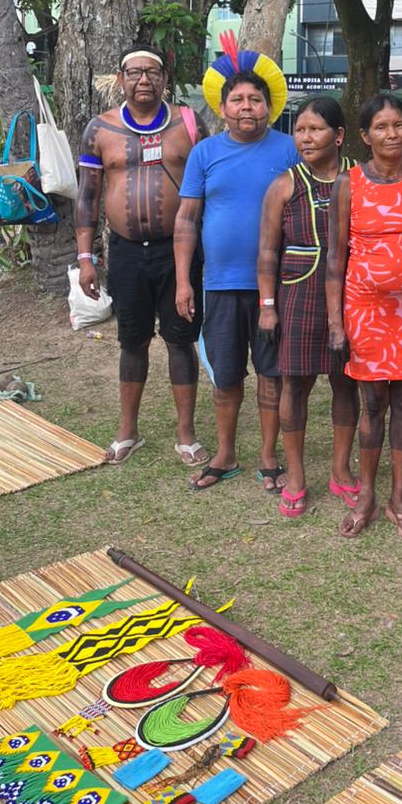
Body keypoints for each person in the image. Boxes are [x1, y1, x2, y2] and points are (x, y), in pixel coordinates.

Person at [175, 34, 298, 492]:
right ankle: (225, 454)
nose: (247, 106)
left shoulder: (290, 149)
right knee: (225, 376)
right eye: (238, 99)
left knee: (271, 374)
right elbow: (187, 219)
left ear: (269, 106)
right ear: (223, 108)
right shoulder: (205, 153)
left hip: (277, 287)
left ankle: (269, 455)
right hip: (220, 285)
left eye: (255, 99)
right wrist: (184, 281)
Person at [76, 45, 208, 466]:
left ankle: (186, 434)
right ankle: (127, 431)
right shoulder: (100, 129)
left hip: (180, 251)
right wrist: (85, 258)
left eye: (152, 72)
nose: (143, 79)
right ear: (121, 80)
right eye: (134, 73)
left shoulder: (189, 123)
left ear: (165, 78)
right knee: (132, 341)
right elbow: (87, 197)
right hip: (127, 252)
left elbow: (212, 183)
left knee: (180, 339)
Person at [326, 94, 402, 540]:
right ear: (364, 135)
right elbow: (336, 259)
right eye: (381, 127)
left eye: (398, 125)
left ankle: (399, 497)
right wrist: (336, 323)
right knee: (372, 404)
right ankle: (367, 496)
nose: (391, 134)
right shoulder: (348, 183)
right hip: (365, 311)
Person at [257, 96, 360, 518]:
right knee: (294, 385)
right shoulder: (285, 185)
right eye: (299, 130)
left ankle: (340, 469)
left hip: (351, 295)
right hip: (298, 293)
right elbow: (267, 251)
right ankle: (297, 475)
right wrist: (267, 305)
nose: (305, 137)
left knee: (345, 383)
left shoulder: (359, 178)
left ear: (338, 135)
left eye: (315, 129)